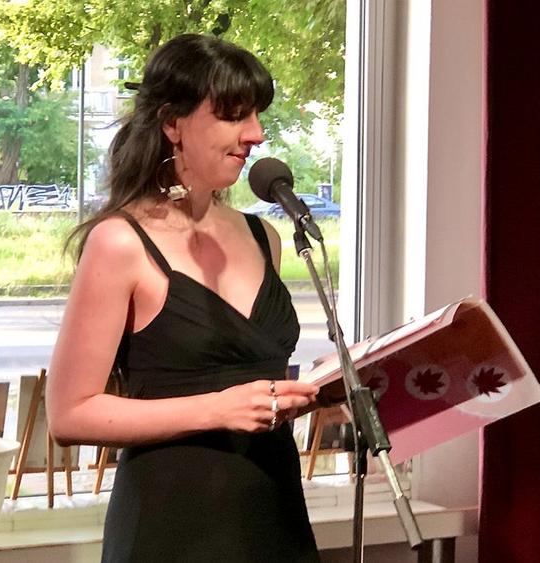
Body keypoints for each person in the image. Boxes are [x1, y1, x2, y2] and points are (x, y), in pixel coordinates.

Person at [47, 33, 321, 562]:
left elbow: (256, 383)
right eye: (234, 115)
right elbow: (69, 415)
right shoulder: (120, 242)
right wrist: (217, 409)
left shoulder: (264, 236)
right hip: (171, 527)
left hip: (274, 516)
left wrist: (314, 391)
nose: (256, 134)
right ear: (173, 123)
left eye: (257, 115)